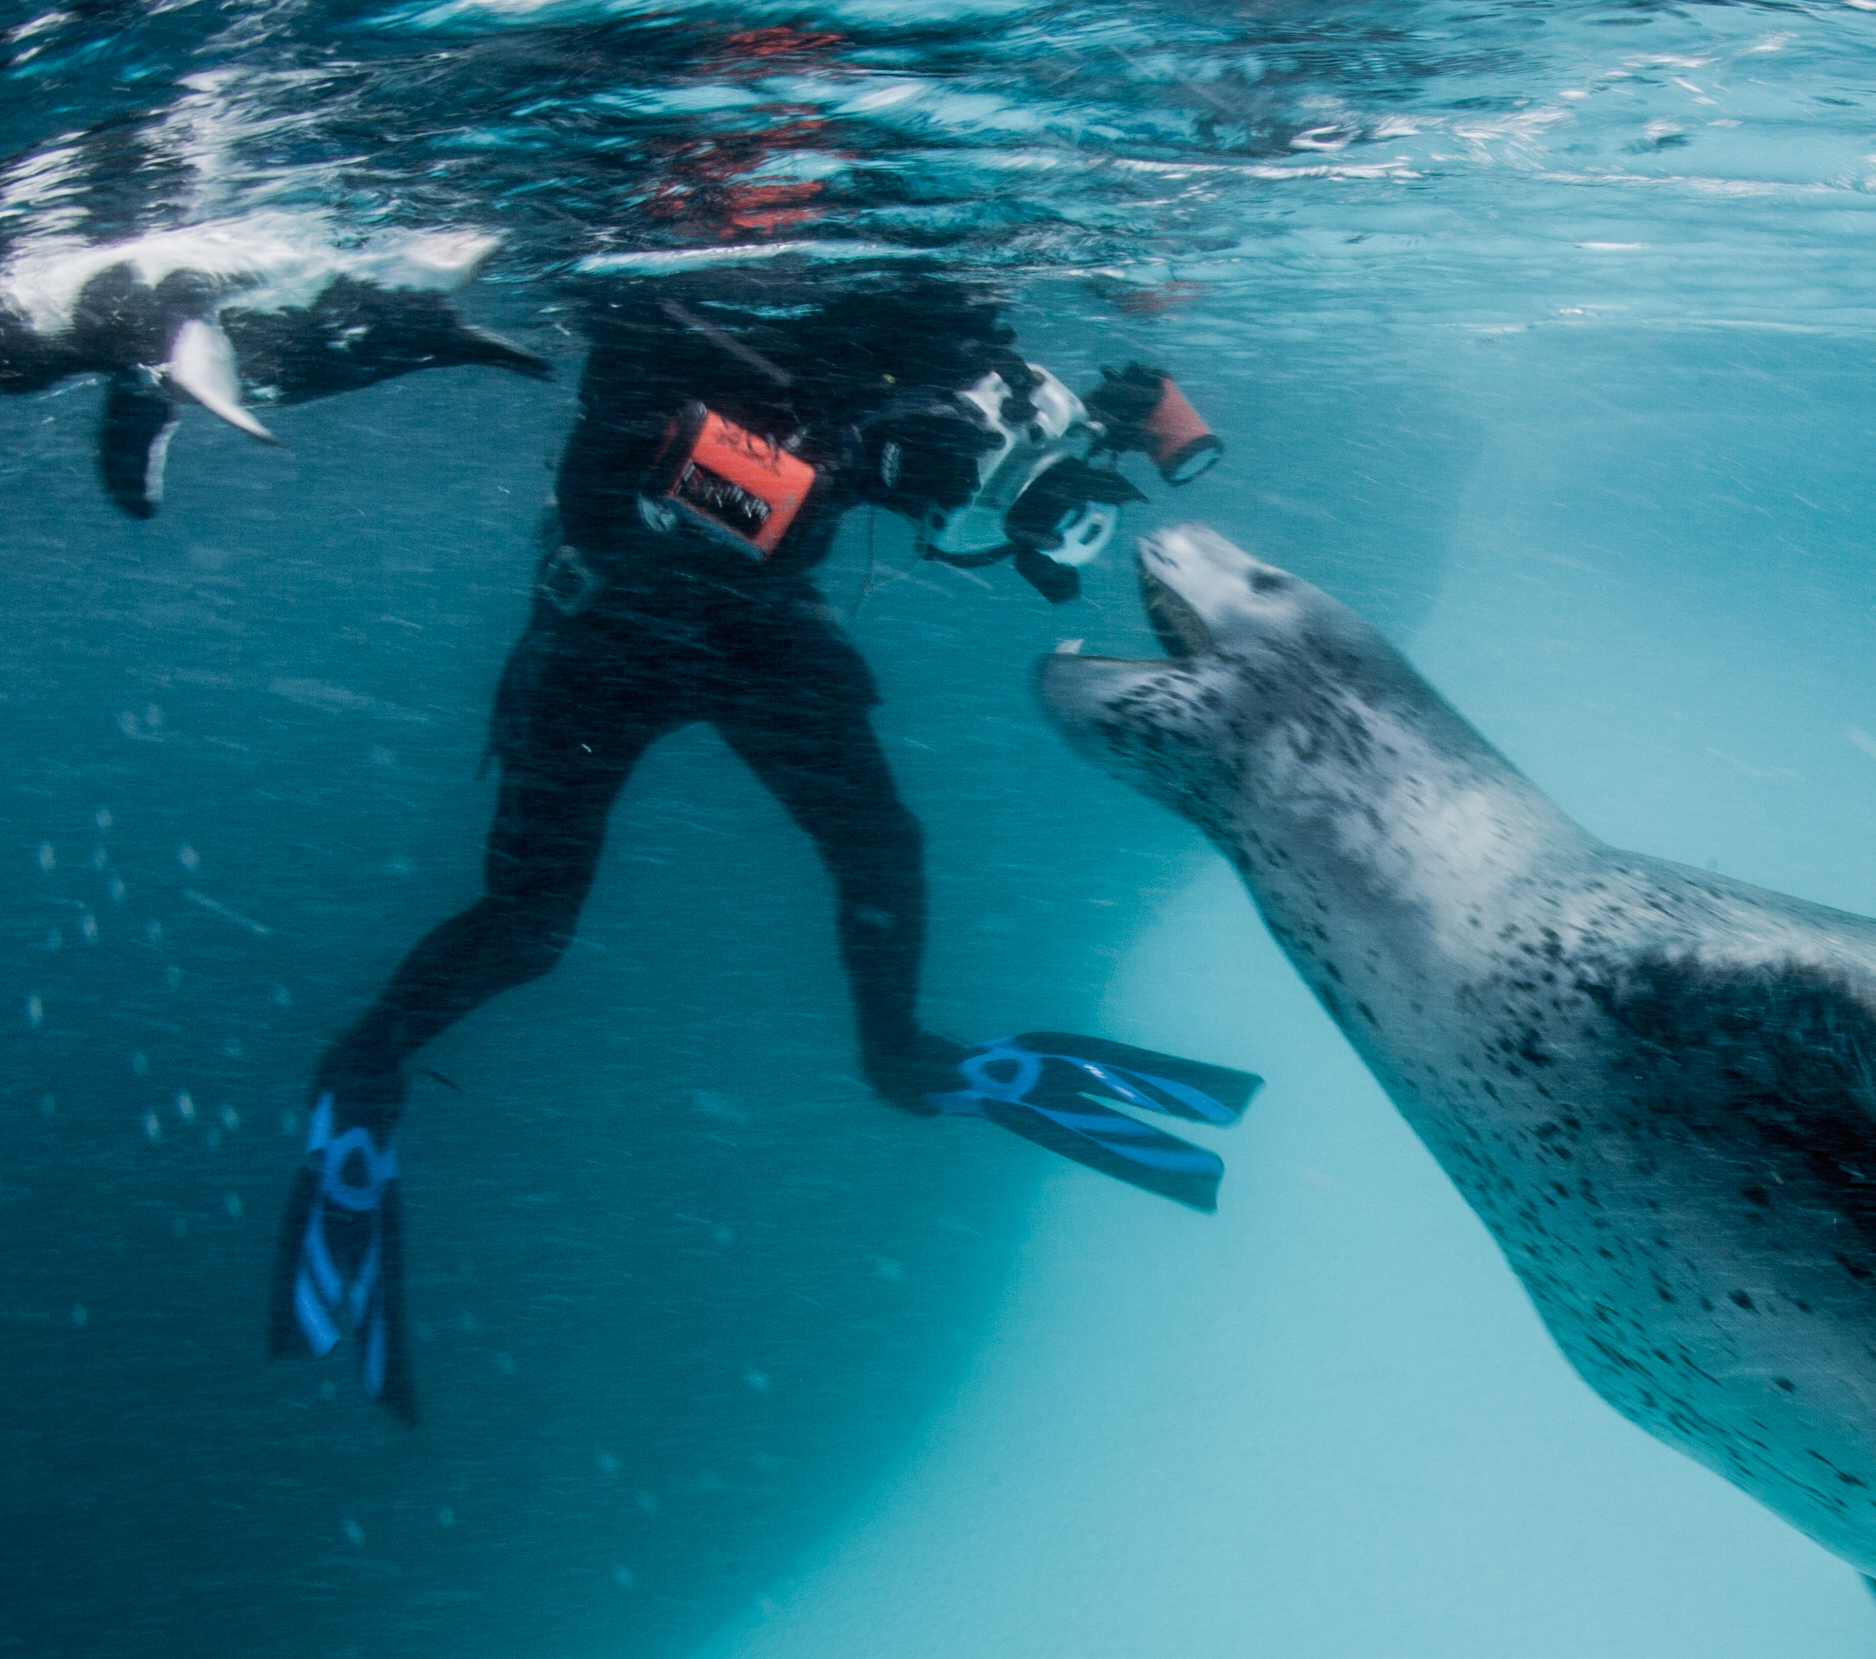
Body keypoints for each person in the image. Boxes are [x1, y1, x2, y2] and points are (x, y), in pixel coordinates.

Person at [266, 264, 1258, 1419]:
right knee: (532, 922)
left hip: (759, 626)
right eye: (962, 312)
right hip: (611, 623)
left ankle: (902, 1056)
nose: (978, 326)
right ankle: (364, 1064)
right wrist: (847, 467)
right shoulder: (672, 304)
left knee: (882, 845)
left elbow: (977, 528)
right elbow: (620, 474)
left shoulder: (912, 328)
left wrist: (1061, 459)